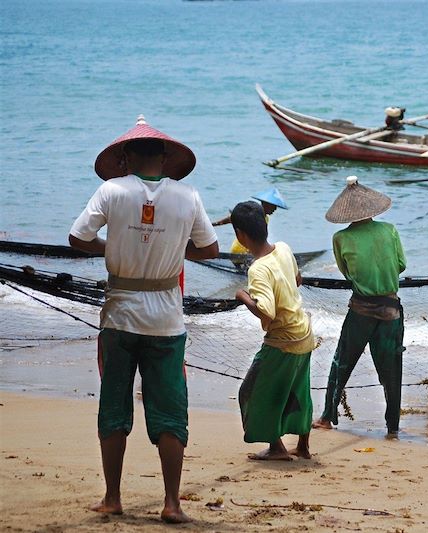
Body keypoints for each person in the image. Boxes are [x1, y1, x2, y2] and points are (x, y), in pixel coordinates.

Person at [69, 115, 218, 523]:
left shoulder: (111, 190)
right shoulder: (188, 196)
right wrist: (171, 249)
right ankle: (172, 503)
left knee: (114, 404)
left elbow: (77, 238)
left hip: (119, 316)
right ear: (166, 157)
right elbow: (209, 249)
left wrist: (114, 247)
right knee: (169, 409)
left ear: (125, 157)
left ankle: (113, 497)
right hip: (167, 321)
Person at [313, 176, 406, 435]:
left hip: (361, 310)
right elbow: (401, 265)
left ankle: (326, 417)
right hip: (391, 310)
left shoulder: (341, 238)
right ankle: (393, 426)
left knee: (341, 363)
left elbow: (347, 273)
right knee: (392, 371)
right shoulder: (389, 230)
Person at [231, 201, 316, 461]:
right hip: (304, 332)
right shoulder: (283, 248)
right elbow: (297, 279)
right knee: (298, 389)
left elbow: (265, 310)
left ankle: (277, 448)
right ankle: (302, 446)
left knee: (251, 391)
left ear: (240, 236)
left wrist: (242, 295)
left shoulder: (258, 269)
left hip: (283, 340)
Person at [212, 187, 288, 260]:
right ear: (265, 204)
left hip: (251, 252)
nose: (275, 209)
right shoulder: (250, 215)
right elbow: (232, 219)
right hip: (240, 252)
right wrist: (212, 225)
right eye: (273, 206)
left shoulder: (265, 218)